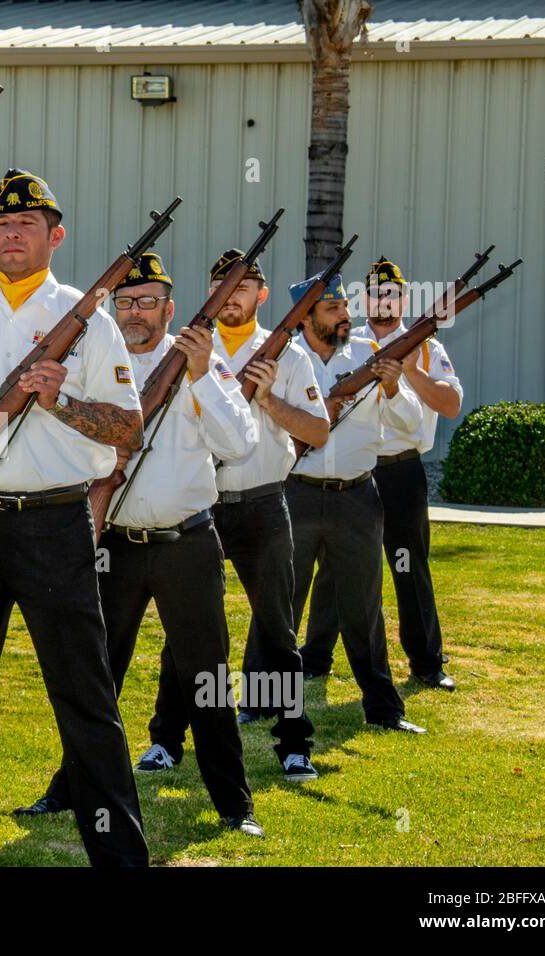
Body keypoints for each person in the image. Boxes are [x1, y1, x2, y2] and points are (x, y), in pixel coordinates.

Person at [0, 169, 150, 866]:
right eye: (2, 224)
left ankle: (119, 852)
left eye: (27, 225)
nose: (11, 234)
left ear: (56, 236)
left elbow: (128, 430)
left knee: (84, 698)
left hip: (54, 524)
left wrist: (61, 403)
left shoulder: (90, 321)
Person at [13, 252, 266, 836]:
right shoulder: (99, 359)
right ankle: (70, 788)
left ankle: (234, 804)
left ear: (170, 309)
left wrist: (204, 374)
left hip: (187, 542)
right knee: (96, 676)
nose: (134, 312)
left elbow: (240, 444)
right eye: (124, 301)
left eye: (147, 300)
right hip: (114, 544)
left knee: (207, 678)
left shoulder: (200, 361)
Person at [301, 257, 462, 691]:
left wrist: (411, 370)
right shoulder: (347, 343)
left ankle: (427, 663)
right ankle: (314, 657)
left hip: (402, 470)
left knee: (409, 568)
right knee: (335, 566)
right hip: (358, 472)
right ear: (364, 299)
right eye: (376, 294)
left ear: (404, 299)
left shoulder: (425, 346)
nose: (384, 301)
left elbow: (449, 404)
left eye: (392, 294)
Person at [204, 249, 329, 778]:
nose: (232, 297)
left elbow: (318, 431)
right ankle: (166, 738)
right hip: (200, 506)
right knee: (193, 630)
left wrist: (269, 398)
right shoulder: (189, 348)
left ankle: (294, 742)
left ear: (262, 295)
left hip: (261, 504)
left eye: (243, 287)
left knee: (277, 629)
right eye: (222, 286)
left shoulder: (290, 355)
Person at [286, 273, 427, 733]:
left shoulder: (371, 356)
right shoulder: (286, 360)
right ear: (306, 318)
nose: (346, 315)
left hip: (357, 496)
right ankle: (265, 703)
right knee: (280, 606)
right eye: (332, 309)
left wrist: (390, 387)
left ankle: (384, 709)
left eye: (345, 306)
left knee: (365, 608)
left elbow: (407, 422)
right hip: (297, 493)